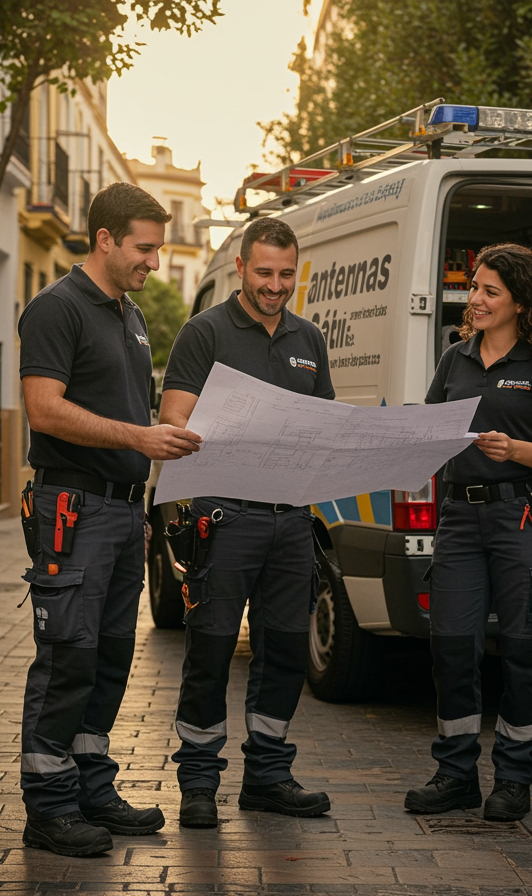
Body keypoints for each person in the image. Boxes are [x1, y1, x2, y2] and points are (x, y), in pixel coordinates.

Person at [17, 182, 202, 857]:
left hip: (122, 516)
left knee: (110, 658)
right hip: (74, 509)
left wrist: (142, 499)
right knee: (68, 658)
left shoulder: (130, 314)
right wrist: (139, 438)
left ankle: (90, 786)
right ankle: (49, 806)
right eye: (144, 249)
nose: (153, 261)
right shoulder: (56, 308)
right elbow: (45, 409)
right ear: (104, 239)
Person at [159, 217, 335, 828]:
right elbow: (174, 422)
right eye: (264, 273)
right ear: (240, 267)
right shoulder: (203, 333)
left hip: (290, 522)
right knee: (209, 650)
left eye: (287, 274)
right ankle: (199, 783)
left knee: (284, 649)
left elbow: (322, 423)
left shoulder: (309, 340)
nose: (276, 285)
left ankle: (267, 775)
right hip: (224, 518)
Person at [404, 243, 532, 822]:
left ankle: (514, 777)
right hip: (458, 518)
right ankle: (455, 775)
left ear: (521, 302)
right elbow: (429, 430)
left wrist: (515, 449)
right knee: (451, 646)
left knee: (524, 649)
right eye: (474, 287)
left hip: (521, 517)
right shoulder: (455, 359)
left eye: (489, 291)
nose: (474, 299)